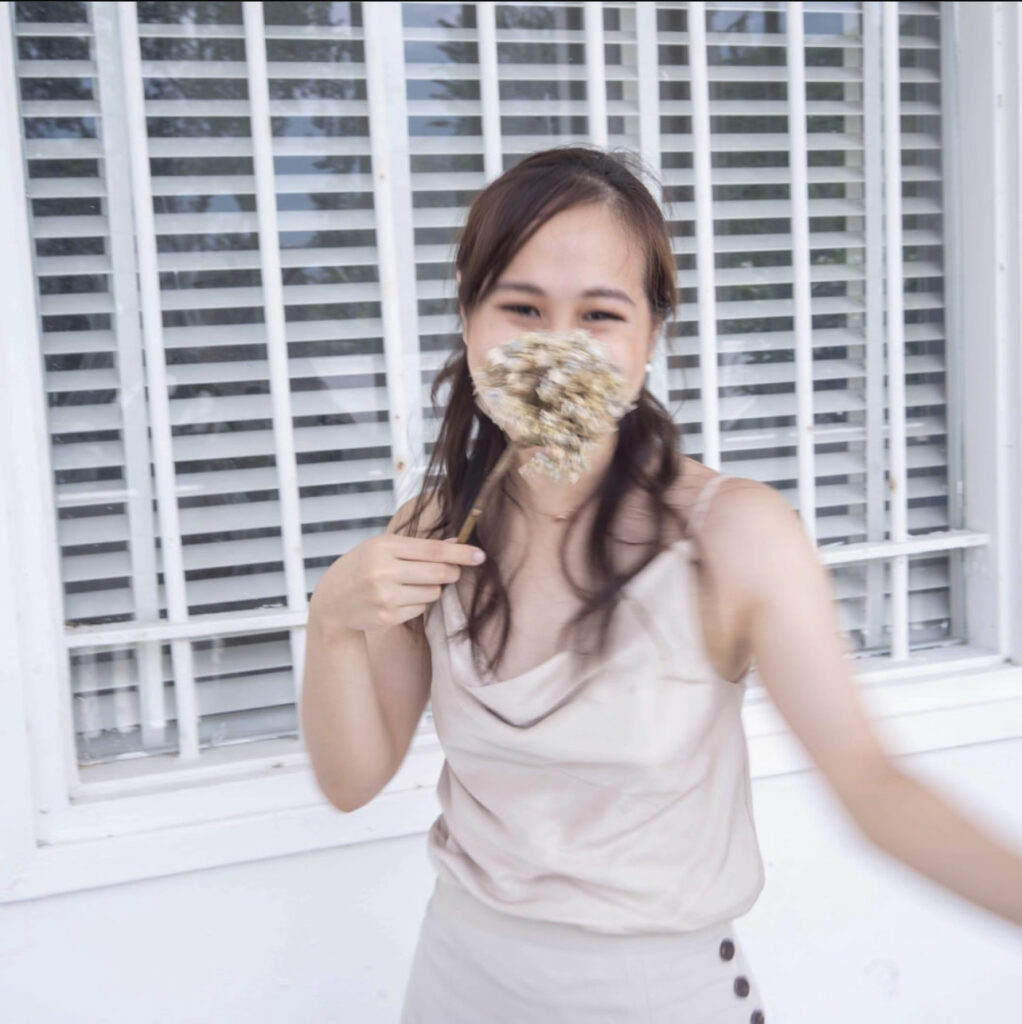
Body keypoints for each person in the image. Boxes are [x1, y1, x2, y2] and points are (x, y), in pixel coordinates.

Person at [301, 146, 1022, 1023]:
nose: (555, 342)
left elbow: (874, 787)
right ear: (468, 318)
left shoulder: (733, 535)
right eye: (521, 306)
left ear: (648, 338)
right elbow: (351, 780)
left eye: (599, 313)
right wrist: (333, 623)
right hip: (456, 977)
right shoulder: (432, 531)